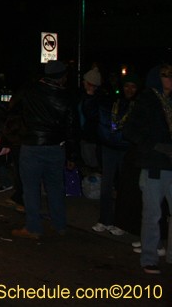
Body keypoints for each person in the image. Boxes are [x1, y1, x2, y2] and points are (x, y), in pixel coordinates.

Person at [9, 60, 77, 240]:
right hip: (55, 146)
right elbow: (72, 128)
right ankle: (60, 225)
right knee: (55, 187)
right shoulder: (65, 96)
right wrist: (71, 154)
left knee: (31, 188)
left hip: (32, 144)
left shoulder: (30, 89)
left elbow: (13, 106)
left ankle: (33, 227)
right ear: (63, 77)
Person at [123, 64, 172, 275]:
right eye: (166, 75)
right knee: (153, 214)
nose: (170, 78)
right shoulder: (148, 100)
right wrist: (156, 146)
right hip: (154, 165)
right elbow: (130, 130)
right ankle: (149, 257)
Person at [88, 71, 137, 236]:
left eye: (133, 86)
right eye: (127, 86)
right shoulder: (112, 102)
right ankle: (105, 219)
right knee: (106, 186)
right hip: (109, 148)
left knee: (125, 188)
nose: (129, 89)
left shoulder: (139, 105)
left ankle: (122, 223)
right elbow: (92, 112)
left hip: (126, 150)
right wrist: (90, 94)